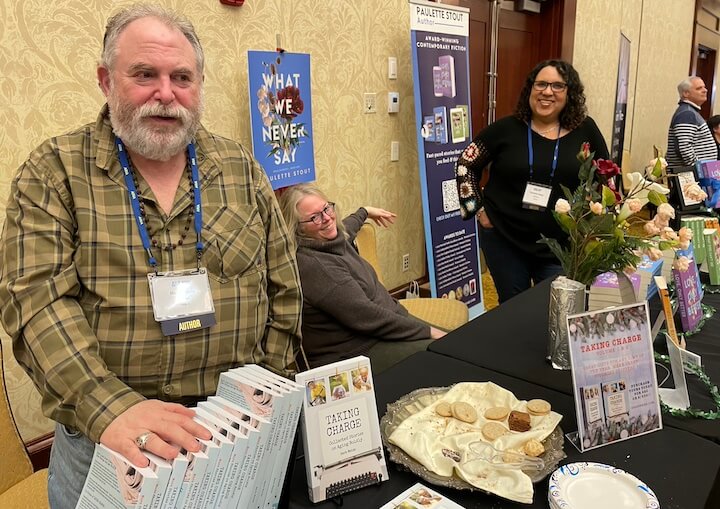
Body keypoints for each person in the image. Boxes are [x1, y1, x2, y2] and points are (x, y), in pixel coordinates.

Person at [0, 4, 302, 507]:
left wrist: (263, 390)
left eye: (181, 77)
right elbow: (35, 304)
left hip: (231, 433)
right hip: (110, 443)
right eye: (145, 74)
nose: (166, 93)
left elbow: (284, 283)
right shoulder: (52, 173)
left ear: (198, 84)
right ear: (106, 80)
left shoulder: (239, 168)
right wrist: (110, 408)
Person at [455, 59, 609, 303]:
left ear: (570, 93)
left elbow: (607, 175)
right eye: (541, 84)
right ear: (530, 89)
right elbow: (466, 163)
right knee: (513, 309)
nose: (547, 91)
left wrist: (594, 221)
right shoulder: (506, 129)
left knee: (556, 308)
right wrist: (478, 210)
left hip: (562, 244)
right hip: (505, 239)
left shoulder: (585, 130)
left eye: (558, 86)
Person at [278, 183, 445, 373]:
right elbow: (368, 316)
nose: (327, 218)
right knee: (445, 355)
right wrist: (428, 332)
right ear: (297, 228)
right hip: (359, 351)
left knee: (455, 341)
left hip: (386, 323)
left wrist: (365, 211)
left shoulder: (327, 239)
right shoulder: (317, 268)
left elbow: (346, 228)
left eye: (326, 208)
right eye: (314, 217)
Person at [666, 76, 717, 167]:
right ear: (686, 93)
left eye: (704, 87)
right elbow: (684, 147)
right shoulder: (687, 113)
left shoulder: (690, 111)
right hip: (690, 176)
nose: (705, 90)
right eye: (699, 88)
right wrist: (698, 169)